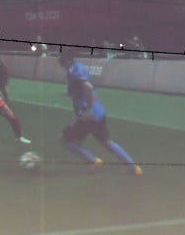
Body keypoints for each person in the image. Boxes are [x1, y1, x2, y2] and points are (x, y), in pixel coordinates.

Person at [59, 47, 142, 175]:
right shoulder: (77, 66)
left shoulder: (73, 70)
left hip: (87, 116)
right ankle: (134, 167)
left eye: (60, 56)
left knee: (66, 140)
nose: (58, 58)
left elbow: (88, 87)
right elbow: (82, 89)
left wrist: (88, 109)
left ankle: (93, 160)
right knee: (106, 142)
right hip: (98, 113)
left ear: (66, 58)